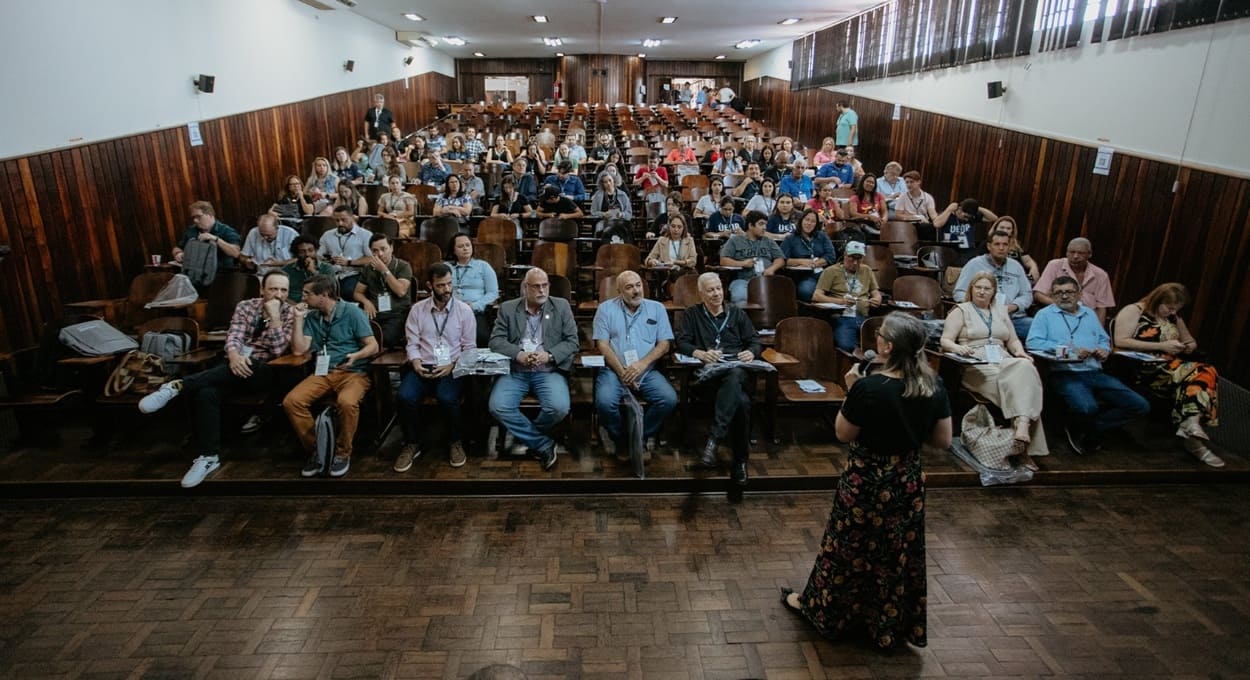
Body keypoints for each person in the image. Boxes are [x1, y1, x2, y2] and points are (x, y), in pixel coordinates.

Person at [782, 312, 951, 650]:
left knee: (847, 548)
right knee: (897, 552)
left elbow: (843, 433)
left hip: (867, 480)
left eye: (881, 335)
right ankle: (886, 621)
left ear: (886, 346)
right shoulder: (934, 385)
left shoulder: (869, 387)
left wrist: (850, 389)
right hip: (906, 481)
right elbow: (943, 441)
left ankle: (831, 612)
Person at [138, 271, 297, 488]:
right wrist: (233, 357)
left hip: (265, 371)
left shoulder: (289, 313)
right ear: (262, 289)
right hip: (232, 366)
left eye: (283, 290)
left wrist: (275, 318)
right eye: (273, 289)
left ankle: (178, 386)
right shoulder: (246, 306)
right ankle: (208, 457)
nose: (278, 294)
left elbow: (279, 350)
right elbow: (234, 336)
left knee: (250, 364)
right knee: (206, 393)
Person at [1026, 276, 1149, 455]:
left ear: (1079, 294)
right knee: (1087, 407)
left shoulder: (1089, 313)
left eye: (1069, 292)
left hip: (1094, 371)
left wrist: (1103, 349)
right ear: (1052, 295)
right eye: (1058, 293)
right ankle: (1087, 429)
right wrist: (1068, 350)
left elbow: (1103, 339)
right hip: (1065, 373)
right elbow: (1033, 342)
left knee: (1140, 406)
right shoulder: (1045, 315)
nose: (1064, 296)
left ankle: (1086, 428)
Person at [940, 271, 1047, 467]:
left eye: (986, 288)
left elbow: (1012, 340)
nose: (981, 292)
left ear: (994, 292)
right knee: (1025, 390)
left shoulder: (1001, 311)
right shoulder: (960, 310)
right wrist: (958, 347)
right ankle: (1022, 443)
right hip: (976, 364)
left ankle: (1021, 427)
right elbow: (945, 340)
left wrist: (1020, 352)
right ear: (971, 289)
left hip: (1003, 359)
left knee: (1024, 365)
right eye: (977, 287)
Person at [1113, 282, 1222, 467]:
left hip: (1173, 366)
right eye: (1169, 308)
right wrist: (1161, 346)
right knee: (1202, 372)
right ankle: (1193, 437)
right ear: (1157, 300)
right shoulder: (1134, 311)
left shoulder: (1174, 317)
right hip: (1143, 366)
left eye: (1176, 309)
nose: (1172, 312)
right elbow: (1120, 340)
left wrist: (1188, 346)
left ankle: (1191, 424)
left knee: (1200, 377)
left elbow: (1190, 341)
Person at [283, 274, 379, 478]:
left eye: (307, 294)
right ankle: (319, 450)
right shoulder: (311, 317)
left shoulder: (353, 312)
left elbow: (373, 346)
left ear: (323, 295)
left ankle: (343, 453)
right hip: (323, 372)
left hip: (354, 372)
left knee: (346, 402)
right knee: (292, 401)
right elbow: (299, 350)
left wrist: (356, 355)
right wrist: (298, 320)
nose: (302, 297)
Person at [674, 272, 761, 486]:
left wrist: (751, 352)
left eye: (719, 289)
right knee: (741, 400)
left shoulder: (737, 313)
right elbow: (681, 343)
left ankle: (714, 440)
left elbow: (755, 341)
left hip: (736, 371)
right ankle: (740, 462)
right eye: (711, 290)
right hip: (709, 379)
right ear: (701, 293)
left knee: (736, 374)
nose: (716, 294)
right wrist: (700, 354)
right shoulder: (692, 314)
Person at [488, 268, 579, 470]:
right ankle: (543, 444)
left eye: (545, 285)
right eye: (536, 286)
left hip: (548, 370)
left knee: (559, 408)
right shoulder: (508, 309)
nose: (541, 290)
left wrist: (550, 355)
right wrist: (519, 354)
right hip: (517, 370)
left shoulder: (561, 306)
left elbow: (573, 342)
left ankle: (527, 438)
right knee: (498, 406)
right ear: (525, 288)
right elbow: (495, 341)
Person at [395, 262, 476, 472]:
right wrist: (415, 361)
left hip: (452, 365)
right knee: (404, 396)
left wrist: (453, 365)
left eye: (449, 284)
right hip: (423, 364)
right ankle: (412, 443)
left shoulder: (464, 311)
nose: (447, 289)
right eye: (441, 285)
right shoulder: (417, 310)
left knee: (447, 397)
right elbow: (411, 342)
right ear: (430, 285)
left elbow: (469, 347)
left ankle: (455, 441)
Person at [592, 270, 678, 460]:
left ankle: (639, 437)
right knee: (605, 403)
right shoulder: (606, 309)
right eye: (629, 287)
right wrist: (623, 372)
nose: (636, 291)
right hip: (614, 371)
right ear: (620, 291)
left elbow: (664, 344)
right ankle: (620, 439)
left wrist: (641, 366)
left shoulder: (657, 308)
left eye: (638, 285)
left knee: (669, 399)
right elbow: (602, 345)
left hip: (646, 370)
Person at [953, 230, 1035, 339]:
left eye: (1005, 244)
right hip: (982, 316)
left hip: (1013, 318)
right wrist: (980, 306)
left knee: (1037, 327)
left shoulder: (1016, 267)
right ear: (989, 246)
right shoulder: (974, 264)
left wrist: (1013, 307)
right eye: (997, 244)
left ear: (1010, 247)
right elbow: (959, 292)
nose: (1001, 248)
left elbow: (1027, 294)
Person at [813, 241, 881, 351]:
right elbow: (816, 296)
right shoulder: (831, 271)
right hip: (842, 316)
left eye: (859, 259)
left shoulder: (867, 270)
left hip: (863, 316)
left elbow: (875, 292)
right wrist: (840, 301)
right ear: (845, 255)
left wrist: (876, 299)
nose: (855, 262)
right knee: (846, 346)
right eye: (851, 258)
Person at [1033, 237, 1115, 325]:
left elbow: (1101, 308)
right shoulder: (1054, 265)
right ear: (1066, 253)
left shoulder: (1101, 275)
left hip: (1086, 321)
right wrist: (1063, 306)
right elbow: (1038, 295)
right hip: (1057, 316)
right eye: (1072, 252)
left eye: (1081, 253)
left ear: (1089, 254)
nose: (1075, 256)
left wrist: (1098, 332)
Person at [353, 233, 413, 348]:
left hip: (396, 313)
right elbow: (357, 293)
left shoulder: (403, 266)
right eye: (375, 251)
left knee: (384, 339)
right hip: (374, 313)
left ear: (391, 248)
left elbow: (400, 291)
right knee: (359, 338)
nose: (380, 254)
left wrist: (384, 270)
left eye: (383, 249)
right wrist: (366, 302)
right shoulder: (368, 268)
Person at [719, 210, 785, 304]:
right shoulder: (735, 240)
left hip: (766, 279)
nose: (764, 228)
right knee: (740, 297)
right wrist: (742, 263)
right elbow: (724, 260)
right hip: (743, 280)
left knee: (783, 296)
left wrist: (772, 269)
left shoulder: (768, 241)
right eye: (761, 224)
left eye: (765, 225)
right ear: (750, 225)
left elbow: (780, 259)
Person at [447, 233, 499, 348]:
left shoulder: (483, 266)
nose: (465, 248)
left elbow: (493, 293)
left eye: (468, 245)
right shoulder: (446, 268)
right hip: (450, 311)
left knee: (482, 337)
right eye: (460, 246)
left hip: (475, 312)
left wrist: (475, 305)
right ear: (453, 250)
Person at [318, 206, 373, 300]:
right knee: (320, 292)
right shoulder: (327, 235)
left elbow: (371, 258)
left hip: (354, 273)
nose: (340, 223)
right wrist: (329, 260)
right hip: (332, 273)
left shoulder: (365, 235)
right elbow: (320, 256)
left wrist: (349, 262)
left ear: (352, 218)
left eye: (344, 220)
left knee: (348, 291)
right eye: (336, 220)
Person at [781, 210, 835, 302]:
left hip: (822, 273)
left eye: (813, 221)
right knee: (805, 291)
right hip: (803, 276)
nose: (809, 223)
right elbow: (782, 260)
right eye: (807, 220)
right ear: (801, 220)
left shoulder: (822, 236)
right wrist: (801, 262)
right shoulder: (791, 238)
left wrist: (816, 263)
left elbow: (831, 255)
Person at [172, 200, 242, 271]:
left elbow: (236, 253)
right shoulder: (191, 230)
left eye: (198, 216)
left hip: (221, 272)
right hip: (196, 272)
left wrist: (215, 239)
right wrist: (178, 253)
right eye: (193, 217)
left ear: (210, 215)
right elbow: (177, 247)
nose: (195, 220)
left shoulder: (226, 230)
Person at [934, 198, 998, 265]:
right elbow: (936, 224)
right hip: (950, 251)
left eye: (968, 218)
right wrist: (949, 209)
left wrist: (977, 208)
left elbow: (994, 218)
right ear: (960, 209)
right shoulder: (948, 215)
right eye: (965, 216)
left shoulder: (971, 217)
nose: (967, 219)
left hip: (968, 251)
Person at [282, 236, 337, 303]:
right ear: (297, 253)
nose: (307, 254)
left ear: (316, 250)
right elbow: (282, 293)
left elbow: (330, 291)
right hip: (292, 305)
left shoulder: (327, 268)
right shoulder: (287, 270)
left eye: (310, 250)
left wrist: (313, 272)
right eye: (302, 252)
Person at [987, 216, 1039, 282]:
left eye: (1008, 228)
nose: (1005, 230)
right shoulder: (988, 243)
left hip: (1016, 276)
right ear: (995, 228)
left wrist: (1033, 267)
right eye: (1002, 227)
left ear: (1012, 231)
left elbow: (1028, 261)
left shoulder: (1017, 246)